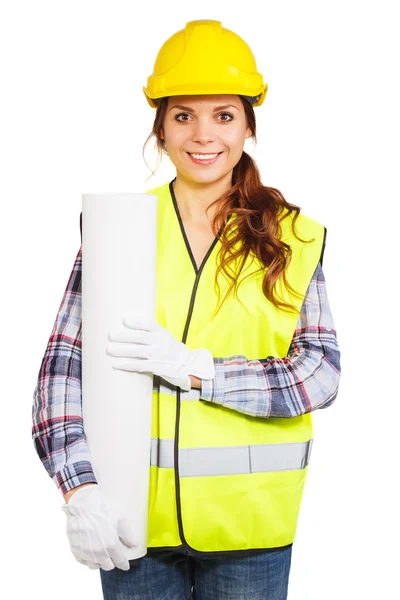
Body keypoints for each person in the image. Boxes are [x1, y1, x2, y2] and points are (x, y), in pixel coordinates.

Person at [32, 19, 341, 600]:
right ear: (161, 128)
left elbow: (320, 374)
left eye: (224, 114)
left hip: (250, 527)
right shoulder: (116, 227)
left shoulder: (294, 237)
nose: (204, 134)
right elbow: (60, 373)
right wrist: (80, 491)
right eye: (183, 115)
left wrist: (201, 371)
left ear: (249, 125)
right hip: (132, 522)